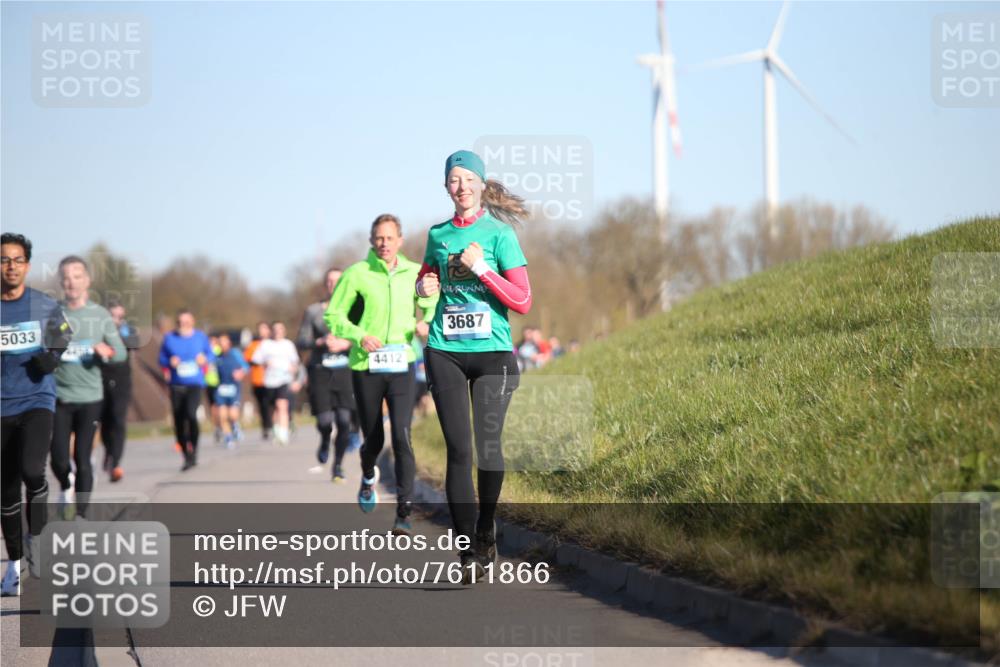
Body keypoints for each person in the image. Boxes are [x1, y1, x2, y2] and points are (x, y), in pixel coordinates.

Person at [416, 149, 532, 583]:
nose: (460, 187)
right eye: (453, 180)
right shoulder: (438, 235)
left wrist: (481, 267)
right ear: (446, 186)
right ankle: (466, 553)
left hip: (493, 354)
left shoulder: (500, 235)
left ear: (481, 184)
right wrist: (423, 285)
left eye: (467, 179)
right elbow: (427, 283)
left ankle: (486, 528)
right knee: (459, 451)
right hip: (445, 348)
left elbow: (522, 301)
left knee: (487, 449)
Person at [325, 214, 437, 535]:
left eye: (390, 238)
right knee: (372, 438)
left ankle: (404, 510)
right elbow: (334, 315)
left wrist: (425, 320)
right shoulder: (357, 274)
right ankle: (368, 476)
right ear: (371, 241)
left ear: (400, 240)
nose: (384, 243)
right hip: (367, 365)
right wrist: (359, 335)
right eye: (378, 238)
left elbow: (431, 301)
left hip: (402, 363)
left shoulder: (415, 271)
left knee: (402, 435)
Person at [1, 233, 72, 596]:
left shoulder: (42, 305)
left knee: (32, 471)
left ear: (26, 266)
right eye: (4, 260)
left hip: (36, 400)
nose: (10, 266)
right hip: (1, 406)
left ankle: (39, 540)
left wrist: (52, 357)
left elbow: (64, 332)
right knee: (6, 489)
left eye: (17, 260)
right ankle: (13, 566)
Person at [51, 256, 127, 519]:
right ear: (60, 281)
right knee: (59, 459)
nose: (70, 281)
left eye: (76, 276)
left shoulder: (99, 315)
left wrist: (104, 351)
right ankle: (65, 484)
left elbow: (120, 354)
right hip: (59, 395)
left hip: (90, 397)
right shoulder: (51, 313)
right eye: (65, 277)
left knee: (83, 458)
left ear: (87, 281)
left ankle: (81, 514)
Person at [296, 268, 358, 482]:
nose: (333, 285)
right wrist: (319, 342)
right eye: (330, 281)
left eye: (338, 281)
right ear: (325, 285)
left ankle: (338, 465)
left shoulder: (354, 308)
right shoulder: (313, 311)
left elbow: (365, 335)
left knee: (343, 420)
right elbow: (302, 341)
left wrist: (345, 342)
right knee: (325, 421)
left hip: (345, 369)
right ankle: (324, 440)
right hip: (320, 371)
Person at [158, 310, 215, 471]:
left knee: (191, 415)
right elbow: (161, 358)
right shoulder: (169, 338)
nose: (183, 325)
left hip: (194, 384)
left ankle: (194, 449)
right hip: (176, 384)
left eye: (186, 322)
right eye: (180, 322)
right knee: (179, 420)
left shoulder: (200, 337)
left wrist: (205, 359)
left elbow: (211, 354)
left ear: (193, 322)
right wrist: (169, 361)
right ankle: (185, 454)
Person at [100, 299, 140, 483]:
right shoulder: (97, 330)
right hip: (100, 379)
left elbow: (134, 344)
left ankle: (116, 463)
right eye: (112, 316)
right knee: (105, 421)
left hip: (122, 380)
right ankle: (109, 453)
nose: (116, 320)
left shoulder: (127, 329)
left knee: (118, 419)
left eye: (119, 316)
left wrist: (119, 336)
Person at [251, 321, 299, 445]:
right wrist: (265, 363)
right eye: (275, 329)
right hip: (269, 381)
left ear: (284, 331)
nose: (278, 331)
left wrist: (294, 377)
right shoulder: (266, 344)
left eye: (280, 329)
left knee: (281, 405)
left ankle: (283, 434)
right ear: (271, 331)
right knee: (273, 408)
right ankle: (277, 429)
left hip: (284, 379)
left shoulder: (288, 345)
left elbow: (295, 363)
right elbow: (255, 360)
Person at [214, 332, 248, 448]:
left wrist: (240, 373)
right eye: (220, 342)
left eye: (224, 341)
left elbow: (245, 367)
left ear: (229, 342)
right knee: (222, 415)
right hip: (221, 389)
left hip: (233, 388)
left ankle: (234, 425)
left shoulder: (235, 354)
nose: (222, 344)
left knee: (232, 415)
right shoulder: (216, 356)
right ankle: (228, 437)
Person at [244, 321, 274, 440]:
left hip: (273, 379)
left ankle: (276, 424)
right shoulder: (253, 345)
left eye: (264, 328)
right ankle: (266, 427)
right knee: (263, 405)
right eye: (260, 329)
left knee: (273, 404)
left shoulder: (274, 344)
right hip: (258, 380)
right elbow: (247, 359)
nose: (262, 331)